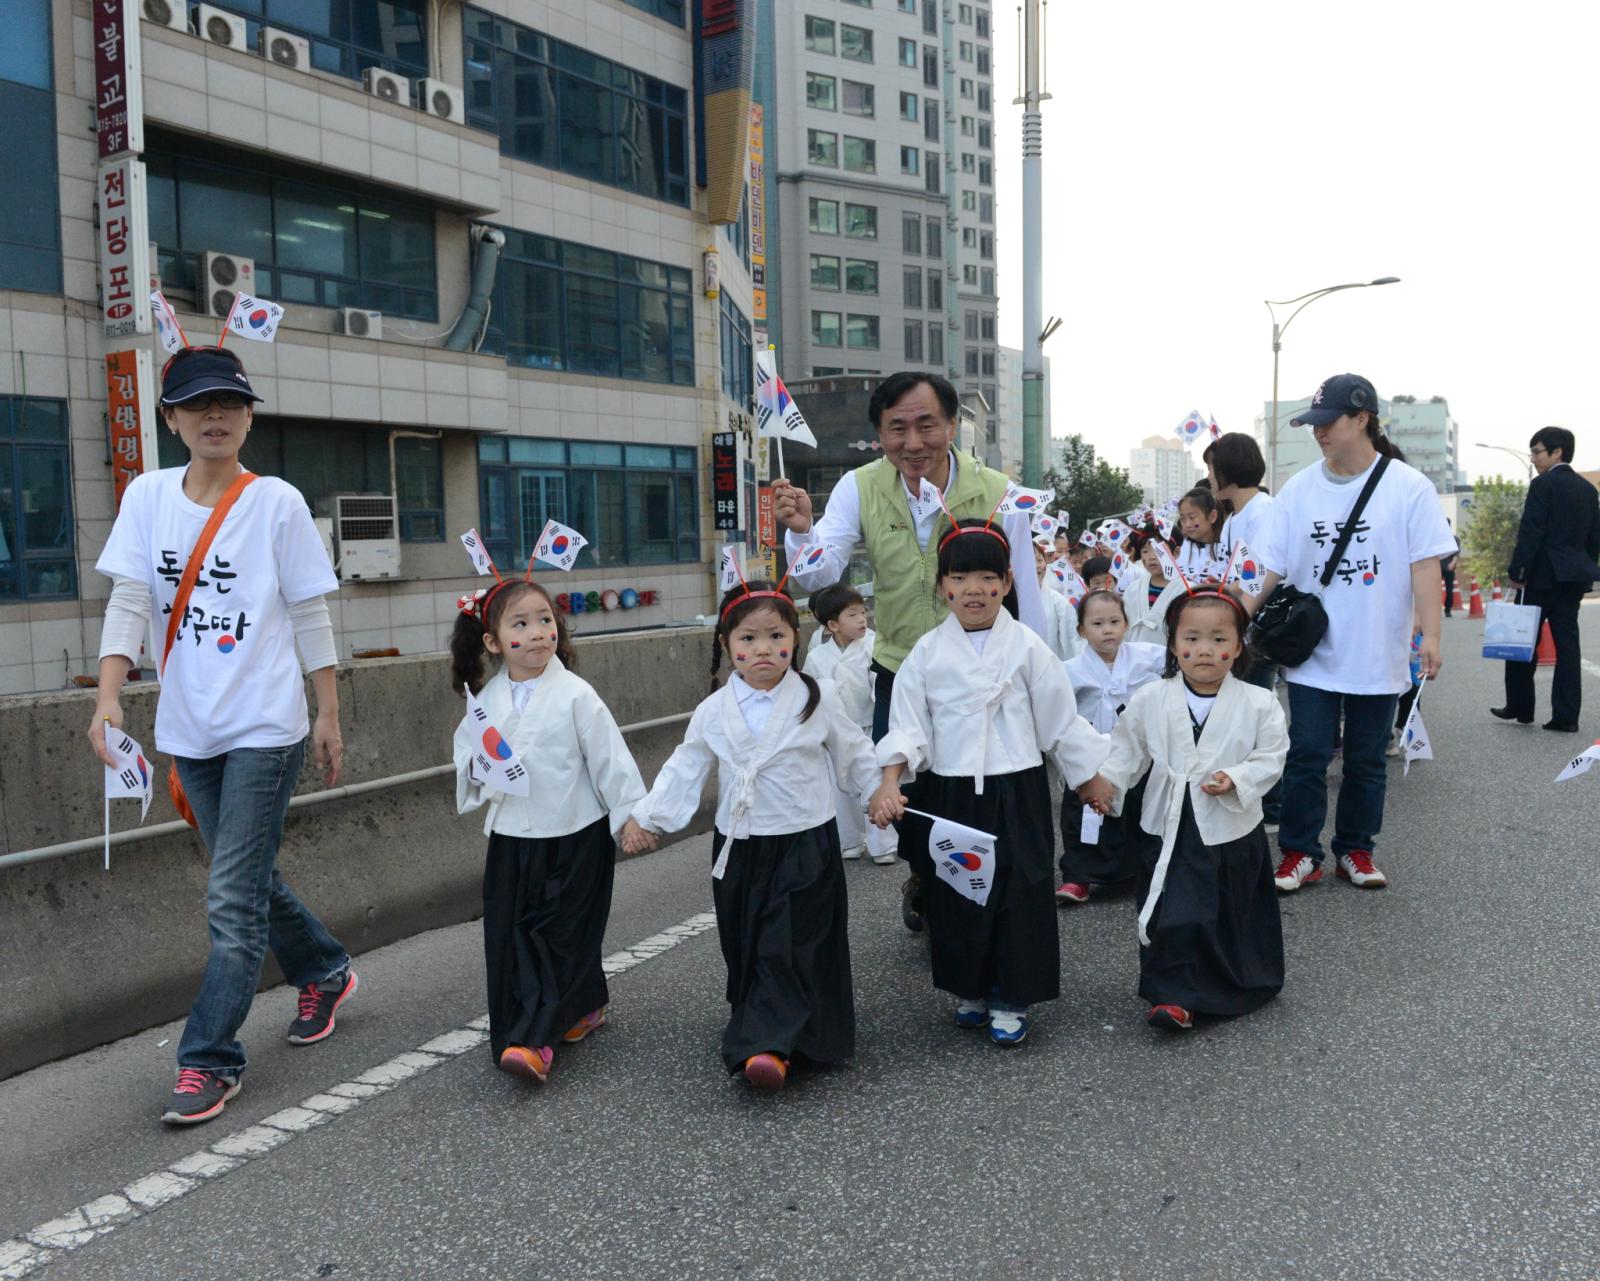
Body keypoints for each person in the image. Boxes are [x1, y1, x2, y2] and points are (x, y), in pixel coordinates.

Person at [88, 346, 354, 1126]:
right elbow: (130, 602)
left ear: (248, 417)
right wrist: (108, 698)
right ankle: (326, 968)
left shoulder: (276, 503)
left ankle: (209, 1058)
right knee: (249, 875)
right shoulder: (147, 497)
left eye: (230, 403)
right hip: (189, 728)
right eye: (197, 404)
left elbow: (309, 612)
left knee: (232, 894)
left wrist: (327, 713)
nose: (215, 415)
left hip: (267, 725)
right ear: (171, 419)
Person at [771, 371, 1045, 932]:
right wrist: (801, 532)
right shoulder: (859, 487)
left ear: (953, 425)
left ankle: (976, 897)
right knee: (902, 792)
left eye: (927, 425)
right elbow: (819, 574)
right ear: (880, 433)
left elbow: (1026, 594)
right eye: (897, 428)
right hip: (898, 668)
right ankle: (925, 871)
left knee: (974, 788)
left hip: (983, 674)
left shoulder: (999, 491)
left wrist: (1039, 677)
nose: (913, 442)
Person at [621, 583, 879, 1091]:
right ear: (726, 644)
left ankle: (766, 1045)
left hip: (805, 841)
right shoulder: (714, 709)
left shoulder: (816, 697)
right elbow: (686, 767)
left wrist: (878, 792)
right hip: (739, 846)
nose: (763, 649)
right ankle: (772, 1029)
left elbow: (853, 751)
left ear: (795, 639)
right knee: (748, 941)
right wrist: (647, 818)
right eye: (748, 638)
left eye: (776, 636)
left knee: (792, 940)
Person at [869, 521, 1109, 1046]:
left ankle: (1011, 996)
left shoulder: (1027, 647)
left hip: (1017, 786)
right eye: (959, 578)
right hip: (951, 791)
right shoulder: (927, 653)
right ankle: (972, 989)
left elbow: (1059, 719)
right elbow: (907, 725)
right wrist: (889, 783)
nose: (973, 590)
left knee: (1020, 890)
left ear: (1006, 582)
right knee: (957, 891)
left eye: (986, 577)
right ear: (942, 587)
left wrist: (1089, 779)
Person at [451, 577, 645, 1084]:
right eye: (520, 624)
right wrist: (480, 767)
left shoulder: (576, 694)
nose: (537, 632)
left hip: (576, 834)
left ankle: (535, 1039)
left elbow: (609, 757)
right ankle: (575, 1010)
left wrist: (630, 815)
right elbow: (466, 757)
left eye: (545, 620)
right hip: (513, 838)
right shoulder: (486, 699)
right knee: (513, 937)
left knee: (559, 935)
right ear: (493, 641)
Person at [1271, 374, 1454, 894]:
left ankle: (1355, 849)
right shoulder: (1299, 489)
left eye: (1328, 422)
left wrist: (1432, 636)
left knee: (1367, 761)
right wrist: (1231, 616)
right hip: (1312, 653)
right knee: (1306, 754)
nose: (1319, 432)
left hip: (1378, 650)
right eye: (1314, 424)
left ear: (1362, 419)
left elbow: (1426, 566)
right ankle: (1299, 854)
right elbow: (1270, 565)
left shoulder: (1408, 487)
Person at [1096, 592, 1288, 1031]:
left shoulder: (1259, 702)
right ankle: (1173, 994)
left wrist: (1236, 777)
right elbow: (1126, 749)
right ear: (1173, 644)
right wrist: (1106, 784)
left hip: (1229, 823)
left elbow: (1271, 755)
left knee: (1226, 907)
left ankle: (1231, 982)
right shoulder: (1151, 697)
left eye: (1218, 639)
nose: (1204, 650)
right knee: (1174, 905)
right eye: (1192, 638)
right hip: (1167, 819)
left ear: (1238, 646)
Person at [1057, 589, 1166, 903]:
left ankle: (1137, 870)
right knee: (1086, 814)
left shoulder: (1147, 656)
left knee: (1138, 809)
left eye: (1114, 622)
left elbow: (1177, 661)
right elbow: (1056, 708)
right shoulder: (1070, 669)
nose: (1107, 629)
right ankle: (1078, 876)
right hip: (1091, 753)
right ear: (1082, 630)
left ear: (1126, 624)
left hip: (1136, 751)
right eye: (1097, 623)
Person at [1205, 431, 1288, 828]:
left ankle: (1272, 807)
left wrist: (1229, 601)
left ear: (1229, 469)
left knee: (1257, 717)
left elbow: (1260, 575)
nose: (1209, 477)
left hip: (1257, 630)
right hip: (1238, 625)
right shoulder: (1236, 517)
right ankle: (1251, 797)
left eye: (1212, 468)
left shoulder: (1263, 511)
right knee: (1242, 715)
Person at [1493, 427, 1600, 732]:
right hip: (1573, 578)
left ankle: (1520, 707)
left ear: (1557, 452)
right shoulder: (1587, 489)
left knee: (1521, 639)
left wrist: (1518, 572)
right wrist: (1586, 568)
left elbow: (1531, 531)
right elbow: (1594, 537)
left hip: (1539, 578)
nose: (1533, 458)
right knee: (1568, 647)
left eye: (1537, 452)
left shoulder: (1542, 484)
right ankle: (1566, 717)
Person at [804, 583, 897, 864]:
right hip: (835, 734)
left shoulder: (874, 645)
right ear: (833, 625)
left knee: (874, 782)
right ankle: (850, 840)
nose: (862, 620)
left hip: (868, 726)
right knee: (840, 789)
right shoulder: (817, 657)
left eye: (863, 612)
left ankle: (883, 844)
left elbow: (879, 686)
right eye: (853, 615)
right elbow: (810, 694)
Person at [1120, 528, 1186, 644]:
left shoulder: (1186, 589)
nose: (1151, 557)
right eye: (1145, 551)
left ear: (1176, 552)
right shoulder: (1133, 589)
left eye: (1158, 550)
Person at [1034, 537, 1081, 661]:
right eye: (1030, 560)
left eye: (1039, 560)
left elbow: (1072, 641)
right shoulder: (1006, 601)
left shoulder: (1058, 601)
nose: (1036, 565)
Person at [1176, 487, 1228, 584]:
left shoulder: (1227, 548)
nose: (1187, 524)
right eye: (1183, 519)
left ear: (1212, 516)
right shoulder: (1180, 548)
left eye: (1192, 517)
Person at [1439, 523, 1459, 619]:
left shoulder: (1454, 539)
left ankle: (1447, 610)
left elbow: (1456, 554)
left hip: (1449, 567)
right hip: (1438, 567)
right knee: (1434, 590)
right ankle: (1434, 610)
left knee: (1449, 590)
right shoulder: (1436, 539)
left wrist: (1453, 563)